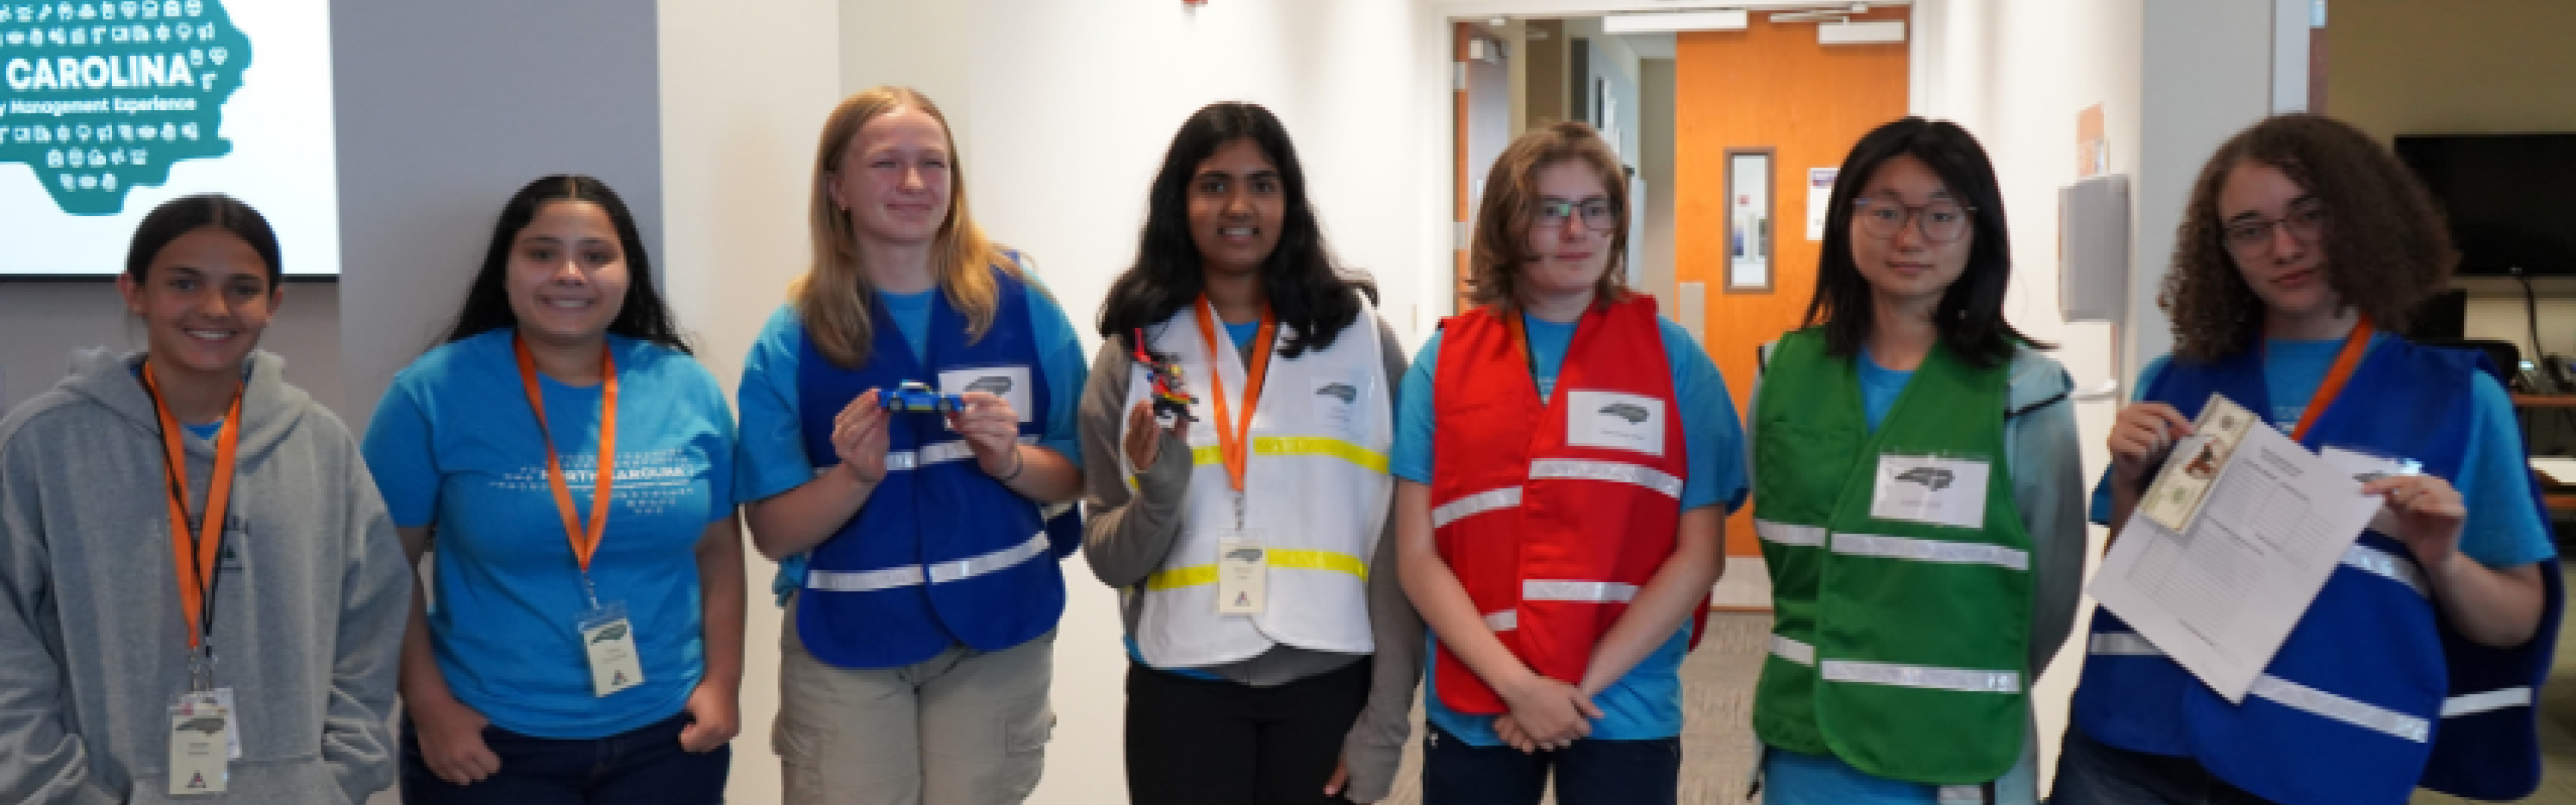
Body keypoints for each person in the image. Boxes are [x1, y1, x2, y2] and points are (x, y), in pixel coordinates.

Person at [2053, 113, 2561, 805]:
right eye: (2251, 229)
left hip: (2322, 758)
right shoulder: (2173, 383)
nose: (2284, 247)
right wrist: (2132, 484)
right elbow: (2128, 579)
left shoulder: (2460, 399)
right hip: (2135, 744)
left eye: (2308, 216)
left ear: (2361, 217)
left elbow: (2513, 621)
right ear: (2224, 250)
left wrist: (2442, 559)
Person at [735, 85, 1087, 805]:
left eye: (934, 163)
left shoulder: (1024, 304)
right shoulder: (792, 337)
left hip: (998, 634)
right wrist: (852, 479)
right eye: (886, 164)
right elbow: (773, 532)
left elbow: (1078, 470)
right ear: (836, 186)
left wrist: (1010, 461)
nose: (914, 183)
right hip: (847, 644)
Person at [0, 195, 408, 802]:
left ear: (273, 304)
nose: (214, 308)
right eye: (184, 283)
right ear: (133, 291)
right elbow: (10, 636)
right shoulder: (44, 443)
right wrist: (53, 787)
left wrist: (339, 773)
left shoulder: (319, 443)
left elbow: (370, 619)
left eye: (242, 289)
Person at [361, 175, 746, 804]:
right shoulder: (430, 395)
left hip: (667, 736)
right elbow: (383, 568)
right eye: (542, 253)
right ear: (507, 268)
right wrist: (430, 708)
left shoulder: (686, 387)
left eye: (596, 256)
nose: (570, 273)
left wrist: (722, 682)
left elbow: (718, 551)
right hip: (490, 740)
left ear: (628, 272)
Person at [1392, 121, 1744, 805]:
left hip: (1624, 700)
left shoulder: (1677, 364)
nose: (1576, 230)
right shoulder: (1442, 365)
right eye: (1550, 212)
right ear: (1508, 226)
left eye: (1595, 210)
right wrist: (1522, 689)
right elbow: (1417, 556)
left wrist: (1570, 694)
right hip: (1480, 702)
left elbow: (1699, 556)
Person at [1081, 101, 1423, 805]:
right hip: (1181, 688)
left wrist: (1386, 724)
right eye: (1214, 184)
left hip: (1327, 685)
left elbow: (1401, 547)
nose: (1240, 205)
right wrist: (1160, 496)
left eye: (1263, 184)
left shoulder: (1361, 341)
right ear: (1180, 201)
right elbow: (1108, 557)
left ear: (1290, 202)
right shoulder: (1134, 352)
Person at [1743, 118, 2084, 805]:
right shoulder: (1781, 372)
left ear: (1977, 229)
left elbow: (2046, 595)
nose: (1909, 238)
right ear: (1847, 220)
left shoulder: (2024, 393)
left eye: (1940, 215)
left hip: (1951, 753)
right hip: (1808, 744)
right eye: (1885, 211)